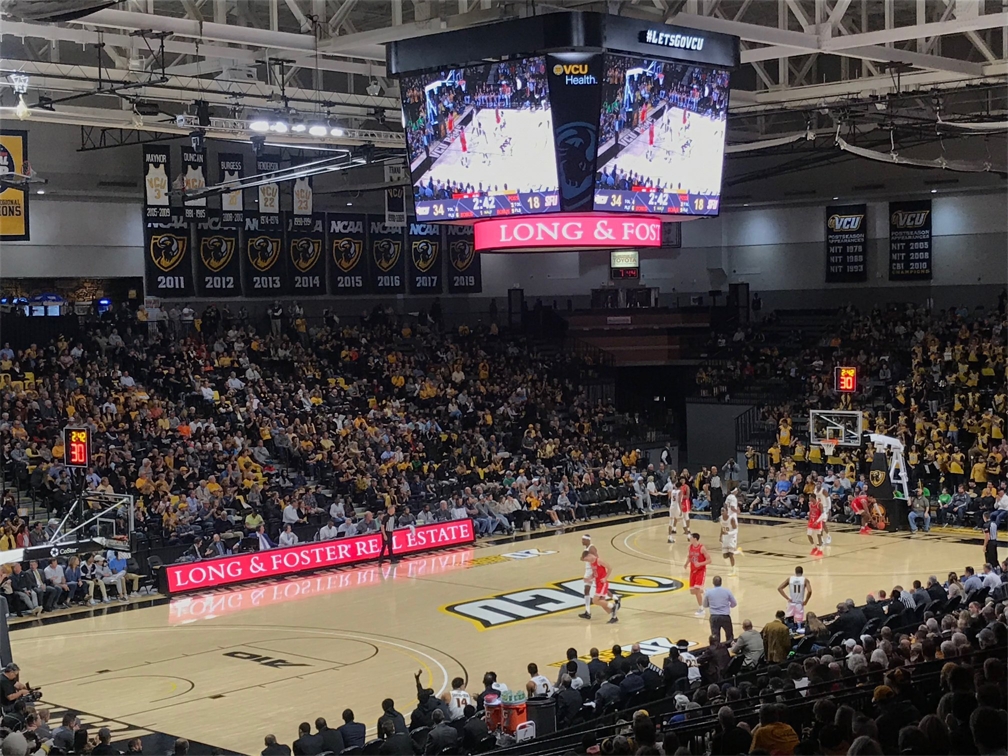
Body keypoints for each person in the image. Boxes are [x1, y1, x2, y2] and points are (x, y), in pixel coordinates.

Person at [579, 543, 620, 623]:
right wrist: (589, 579)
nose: (586, 561)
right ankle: (614, 617)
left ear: (588, 556)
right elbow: (595, 574)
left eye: (586, 559)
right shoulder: (592, 563)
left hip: (602, 583)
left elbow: (609, 567)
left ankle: (613, 606)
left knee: (595, 600)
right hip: (598, 583)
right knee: (603, 604)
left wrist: (605, 578)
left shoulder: (599, 560)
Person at [703, 575, 738, 643]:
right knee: (729, 636)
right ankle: (729, 650)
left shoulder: (708, 592)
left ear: (713, 583)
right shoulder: (727, 591)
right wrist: (728, 606)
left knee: (715, 637)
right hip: (725, 616)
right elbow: (734, 603)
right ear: (721, 582)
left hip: (714, 617)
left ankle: (717, 650)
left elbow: (705, 605)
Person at [779, 565, 812, 631]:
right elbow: (809, 591)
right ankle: (798, 631)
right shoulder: (805, 580)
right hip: (799, 603)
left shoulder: (790, 579)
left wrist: (787, 598)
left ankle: (789, 631)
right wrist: (806, 601)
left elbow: (780, 588)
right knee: (799, 621)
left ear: (795, 572)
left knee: (788, 618)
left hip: (791, 602)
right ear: (802, 572)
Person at [685, 532, 711, 618]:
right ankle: (706, 592)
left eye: (691, 537)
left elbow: (709, 560)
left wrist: (700, 564)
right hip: (692, 570)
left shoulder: (702, 548)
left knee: (696, 590)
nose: (689, 539)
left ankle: (701, 609)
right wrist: (686, 564)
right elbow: (689, 557)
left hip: (700, 571)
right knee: (693, 592)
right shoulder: (690, 547)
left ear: (695, 539)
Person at [668, 476, 691, 543]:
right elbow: (679, 501)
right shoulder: (680, 491)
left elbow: (670, 497)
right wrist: (681, 510)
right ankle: (689, 536)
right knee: (683, 521)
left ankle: (669, 537)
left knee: (671, 522)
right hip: (677, 507)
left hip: (671, 507)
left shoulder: (672, 491)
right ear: (680, 486)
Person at [719, 507, 739, 572]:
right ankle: (737, 551)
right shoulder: (720, 518)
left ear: (727, 512)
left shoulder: (731, 519)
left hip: (731, 538)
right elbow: (722, 528)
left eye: (723, 511)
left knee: (730, 554)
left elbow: (736, 530)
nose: (722, 512)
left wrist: (728, 533)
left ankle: (733, 569)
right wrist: (720, 536)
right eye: (721, 511)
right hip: (725, 538)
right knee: (725, 556)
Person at [808, 486, 826, 555]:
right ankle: (814, 547)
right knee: (809, 535)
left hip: (818, 522)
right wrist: (809, 519)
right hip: (811, 521)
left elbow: (823, 514)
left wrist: (817, 521)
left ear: (813, 498)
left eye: (810, 497)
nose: (809, 499)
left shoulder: (819, 504)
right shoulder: (810, 504)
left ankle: (820, 550)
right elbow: (811, 512)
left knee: (819, 536)